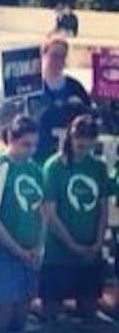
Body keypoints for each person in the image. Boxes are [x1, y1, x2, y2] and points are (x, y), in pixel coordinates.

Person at [0, 116, 45, 333]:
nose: (31, 150)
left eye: (34, 145)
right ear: (11, 140)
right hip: (1, 253)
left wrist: (38, 246)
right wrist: (18, 250)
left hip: (27, 252)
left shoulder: (35, 170)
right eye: (25, 144)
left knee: (18, 323)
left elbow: (42, 212)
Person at [41, 114, 110, 320]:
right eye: (80, 146)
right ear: (70, 139)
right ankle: (32, 305)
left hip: (90, 248)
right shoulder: (54, 166)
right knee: (51, 313)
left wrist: (97, 242)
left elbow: (103, 208)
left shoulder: (98, 167)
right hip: (59, 252)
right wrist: (72, 245)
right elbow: (50, 214)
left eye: (89, 146)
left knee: (89, 312)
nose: (84, 151)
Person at [30, 33, 91, 163]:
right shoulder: (31, 88)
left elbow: (88, 117)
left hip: (69, 156)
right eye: (54, 55)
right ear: (44, 55)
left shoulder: (75, 87)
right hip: (40, 154)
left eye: (62, 57)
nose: (58, 61)